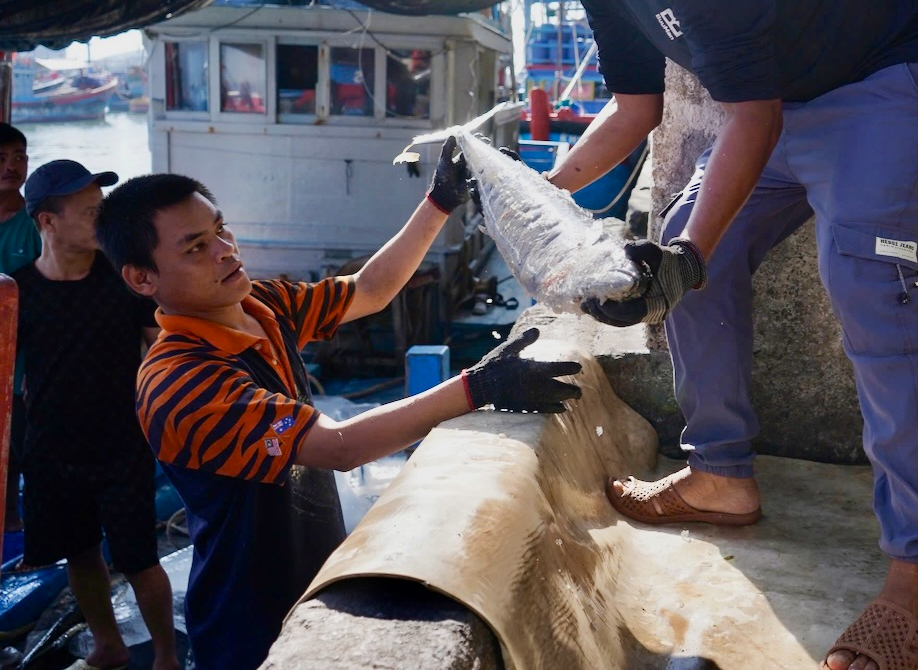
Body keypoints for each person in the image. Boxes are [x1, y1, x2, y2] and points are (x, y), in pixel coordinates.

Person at [436, 0, 918, 670]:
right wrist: (523, 188)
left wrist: (685, 259)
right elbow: (636, 110)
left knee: (863, 282)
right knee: (687, 249)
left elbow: (750, 118)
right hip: (798, 98)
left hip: (902, 70)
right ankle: (722, 474)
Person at [94, 136, 582, 670]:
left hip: (315, 574)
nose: (224, 250)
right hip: (247, 618)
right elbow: (338, 446)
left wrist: (439, 201)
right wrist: (478, 388)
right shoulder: (179, 383)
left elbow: (369, 290)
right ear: (142, 278)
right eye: (195, 248)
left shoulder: (261, 306)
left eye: (220, 230)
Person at [12, 159, 179, 670]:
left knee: (139, 558)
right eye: (88, 212)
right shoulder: (15, 292)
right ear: (47, 222)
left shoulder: (122, 278)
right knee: (79, 553)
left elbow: (162, 346)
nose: (100, 220)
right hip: (51, 448)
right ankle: (109, 648)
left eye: (100, 209)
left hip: (120, 443)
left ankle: (167, 659)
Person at [0, 123, 39, 535]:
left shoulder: (34, 226)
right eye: (1, 158)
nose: (12, 166)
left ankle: (13, 528)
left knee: (14, 453)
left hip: (21, 365)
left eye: (18, 157)